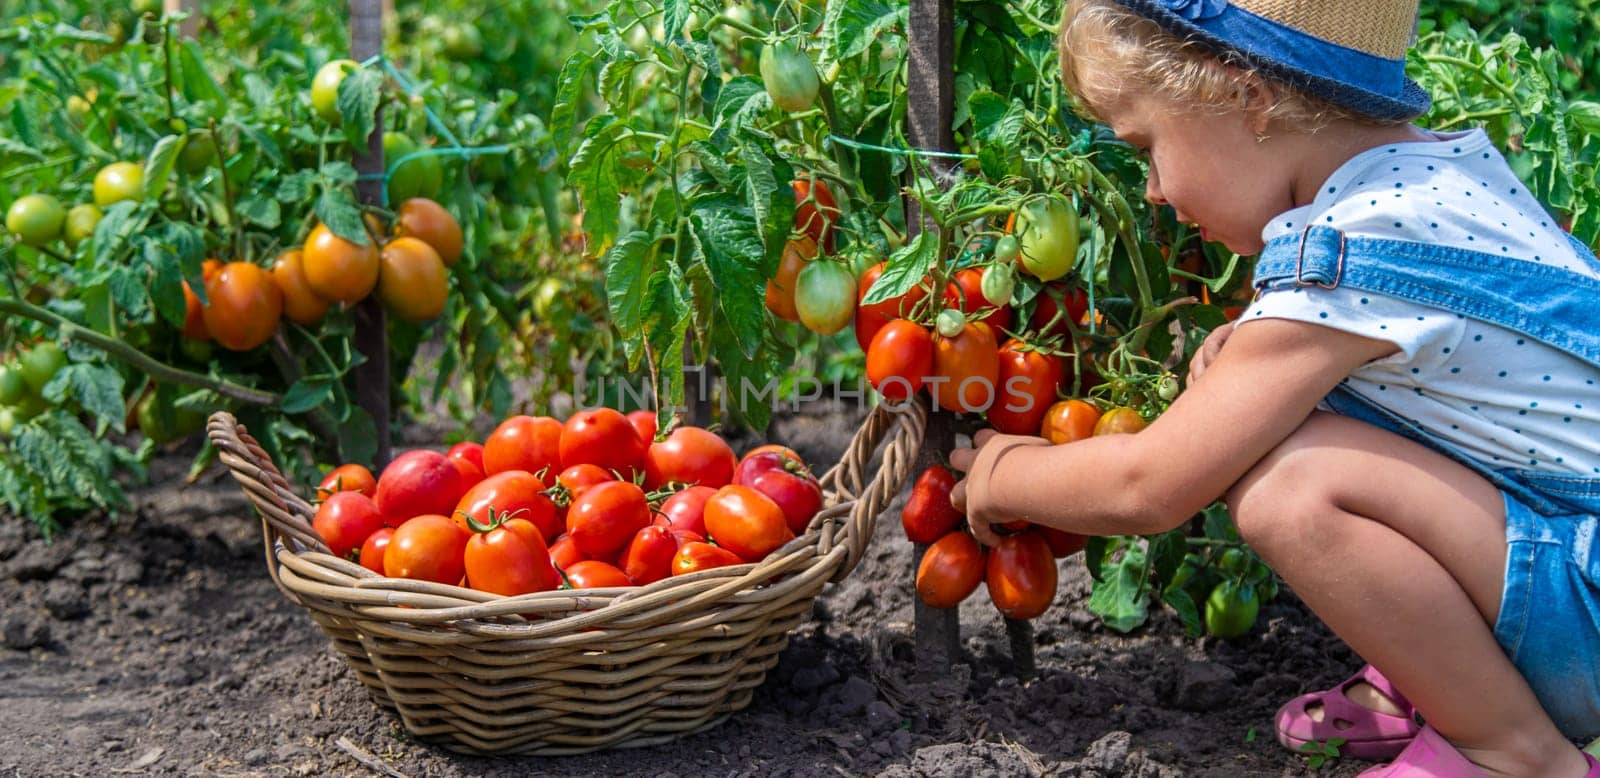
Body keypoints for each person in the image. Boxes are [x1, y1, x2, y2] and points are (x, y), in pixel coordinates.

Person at [947, 1, 1600, 775]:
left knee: (1287, 489)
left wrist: (1005, 474)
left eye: (1147, 146)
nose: (1152, 189)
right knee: (1292, 431)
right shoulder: (1439, 181)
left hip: (1584, 605)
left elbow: (1151, 482)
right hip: (1572, 558)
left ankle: (1508, 748)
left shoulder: (1351, 246)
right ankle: (1447, 681)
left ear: (1244, 97)